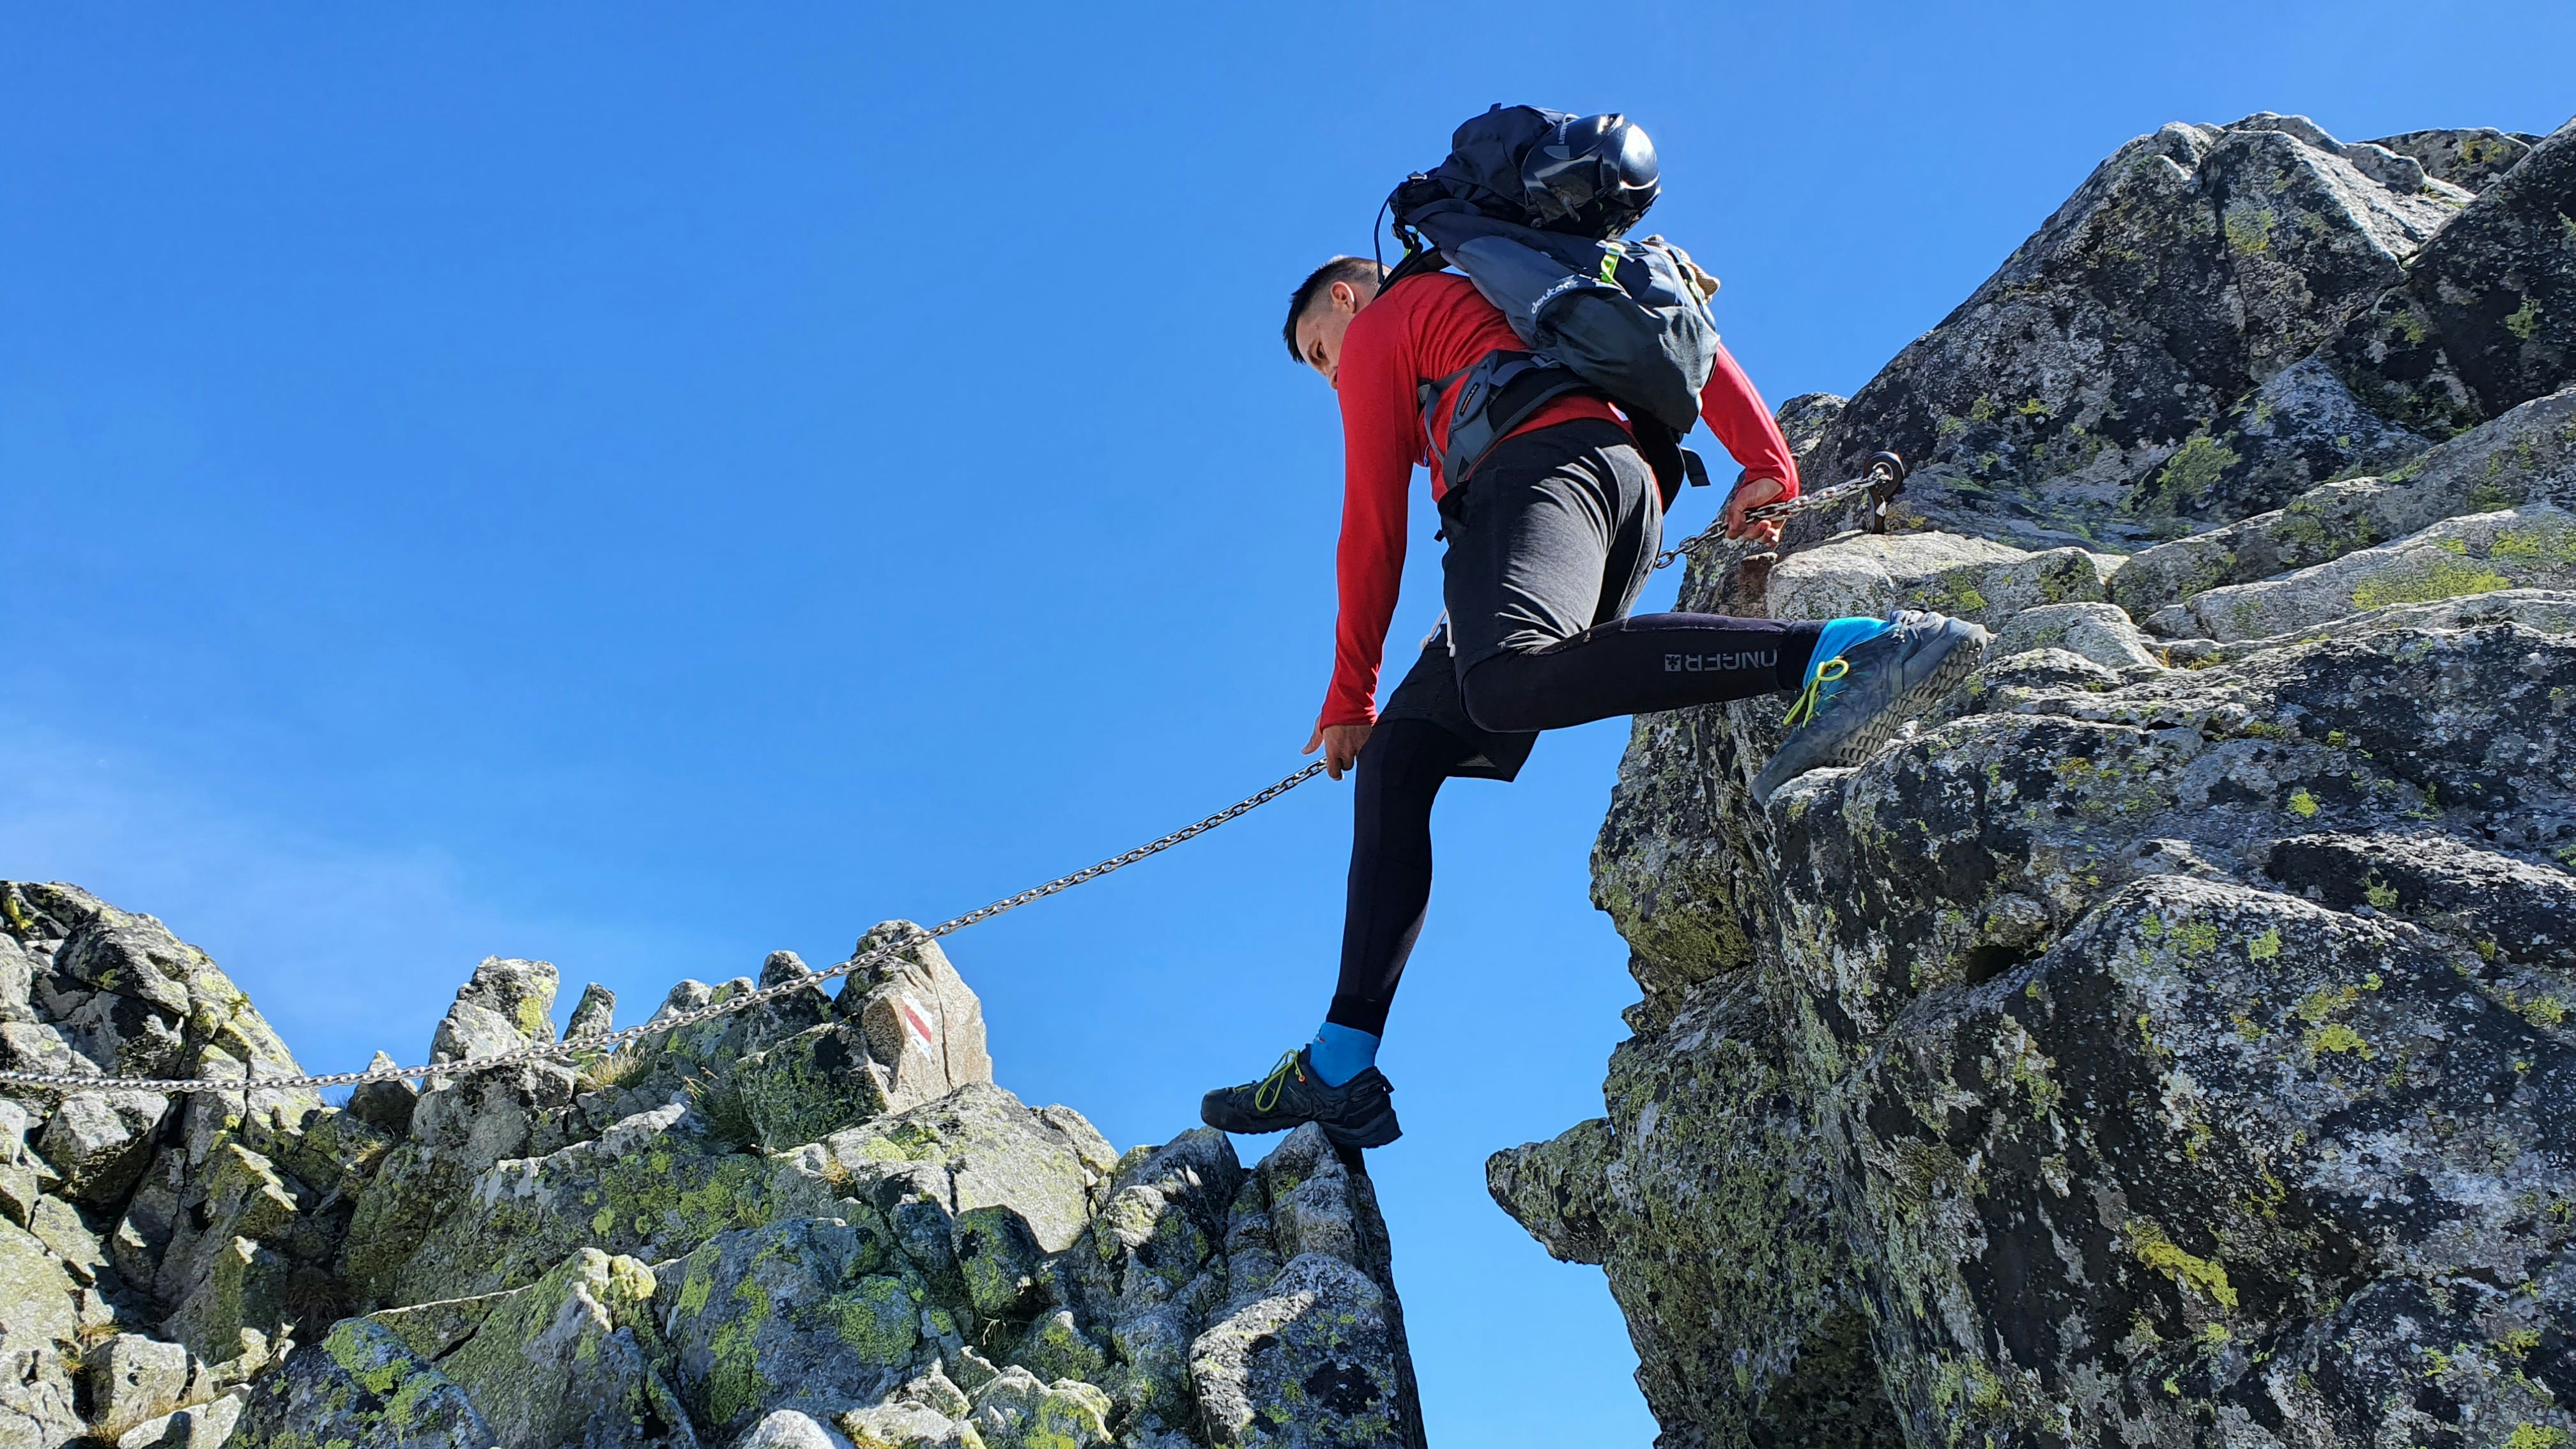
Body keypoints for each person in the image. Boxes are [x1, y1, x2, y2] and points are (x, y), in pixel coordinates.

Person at [1199, 255, 1988, 1149]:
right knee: (1400, 756)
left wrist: (1351, 691)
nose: (1331, 375)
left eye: (1319, 351)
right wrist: (1767, 458)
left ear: (1346, 298)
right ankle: (1341, 1063)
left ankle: (1845, 650)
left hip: (1536, 472)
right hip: (1615, 491)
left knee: (1508, 678)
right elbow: (1683, 336)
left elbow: (1372, 526)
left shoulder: (1389, 320)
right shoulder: (1508, 280)